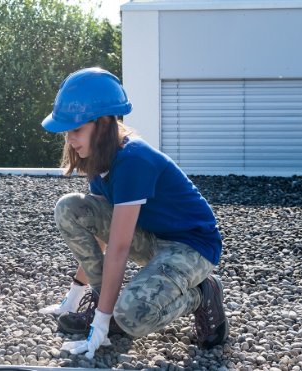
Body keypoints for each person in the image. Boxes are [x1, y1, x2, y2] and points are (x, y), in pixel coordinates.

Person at [39, 67, 228, 359]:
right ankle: (102, 302)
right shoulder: (100, 159)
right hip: (153, 239)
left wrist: (102, 324)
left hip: (192, 247)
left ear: (102, 125)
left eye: (76, 129)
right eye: (67, 131)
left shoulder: (132, 160)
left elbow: (120, 246)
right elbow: (102, 230)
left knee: (131, 318)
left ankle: (203, 294)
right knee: (70, 208)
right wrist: (74, 296)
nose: (69, 139)